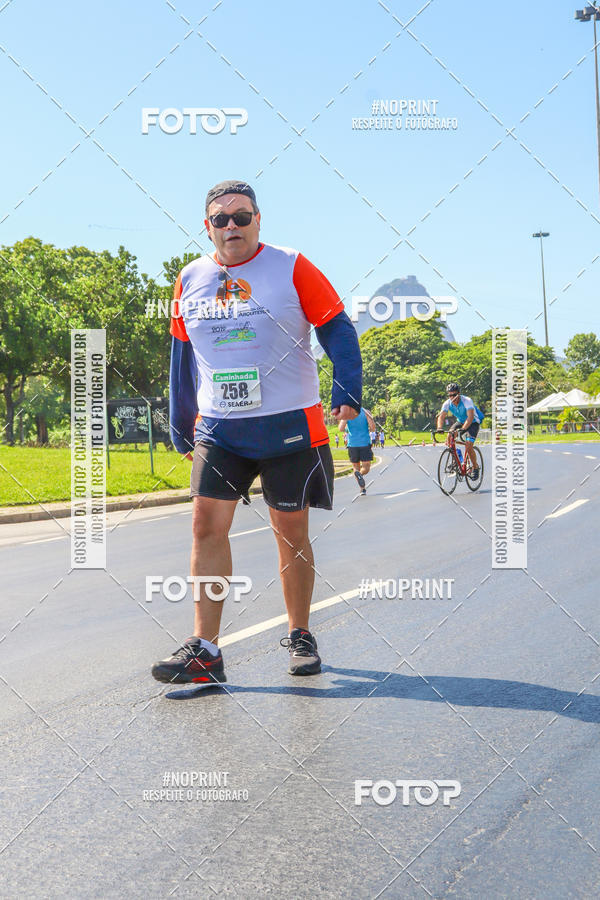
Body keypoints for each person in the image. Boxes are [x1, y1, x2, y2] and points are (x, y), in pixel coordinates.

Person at [151, 180, 362, 685]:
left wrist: (347, 391)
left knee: (289, 532)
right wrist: (183, 426)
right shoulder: (190, 278)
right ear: (207, 226)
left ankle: (300, 632)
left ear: (258, 221)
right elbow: (183, 358)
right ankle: (205, 649)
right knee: (205, 525)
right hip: (221, 427)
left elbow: (336, 326)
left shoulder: (292, 265)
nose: (231, 227)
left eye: (241, 217)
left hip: (289, 424)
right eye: (220, 219)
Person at [436, 383, 483, 479]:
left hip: (473, 422)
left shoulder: (467, 401)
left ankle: (475, 467)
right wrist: (439, 428)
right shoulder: (447, 403)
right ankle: (457, 458)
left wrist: (463, 430)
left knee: (469, 445)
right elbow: (441, 416)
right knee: (450, 436)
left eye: (454, 395)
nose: (452, 397)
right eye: (450, 395)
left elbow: (470, 417)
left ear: (459, 394)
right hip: (461, 421)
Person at [339, 407, 375, 495]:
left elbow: (341, 428)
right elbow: (373, 428)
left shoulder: (347, 413)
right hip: (364, 443)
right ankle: (360, 474)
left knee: (355, 467)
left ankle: (362, 489)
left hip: (352, 445)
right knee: (366, 467)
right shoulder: (366, 411)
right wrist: (368, 416)